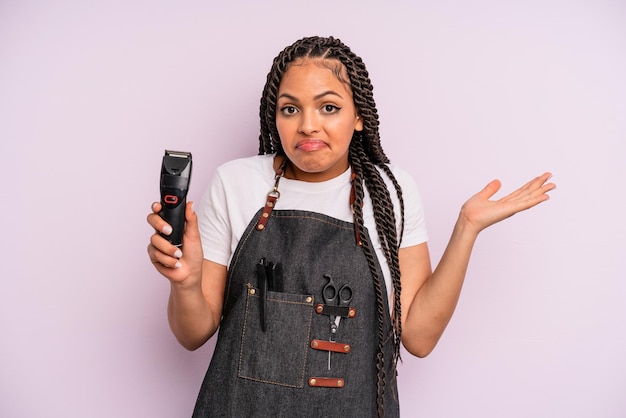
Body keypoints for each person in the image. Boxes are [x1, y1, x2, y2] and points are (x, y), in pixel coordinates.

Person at [147, 36, 555, 417]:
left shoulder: (391, 193)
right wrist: (185, 282)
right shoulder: (236, 183)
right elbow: (192, 334)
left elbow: (419, 337)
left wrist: (466, 228)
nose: (308, 125)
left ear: (358, 116)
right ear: (275, 117)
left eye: (329, 107)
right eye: (290, 109)